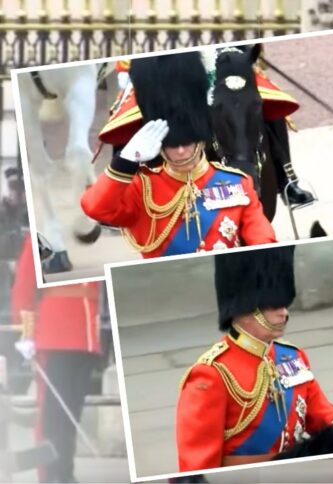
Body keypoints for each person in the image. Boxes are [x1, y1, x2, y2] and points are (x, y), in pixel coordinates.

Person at [175, 245, 333, 473]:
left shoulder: (292, 357)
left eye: (284, 304)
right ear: (245, 308)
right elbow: (197, 465)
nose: (284, 312)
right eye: (274, 305)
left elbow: (321, 411)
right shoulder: (211, 374)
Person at [80, 51, 276, 258]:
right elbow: (94, 207)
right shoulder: (142, 189)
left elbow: (263, 239)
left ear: (200, 138)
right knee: (120, 116)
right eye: (173, 144)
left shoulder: (237, 183)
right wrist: (125, 161)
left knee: (260, 106)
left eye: (186, 142)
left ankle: (288, 173)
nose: (181, 151)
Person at [10, 232, 102, 483]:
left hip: (86, 338)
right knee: (53, 416)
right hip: (56, 335)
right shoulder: (41, 237)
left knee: (71, 415)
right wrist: (26, 334)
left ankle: (65, 473)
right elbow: (23, 287)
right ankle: (52, 475)